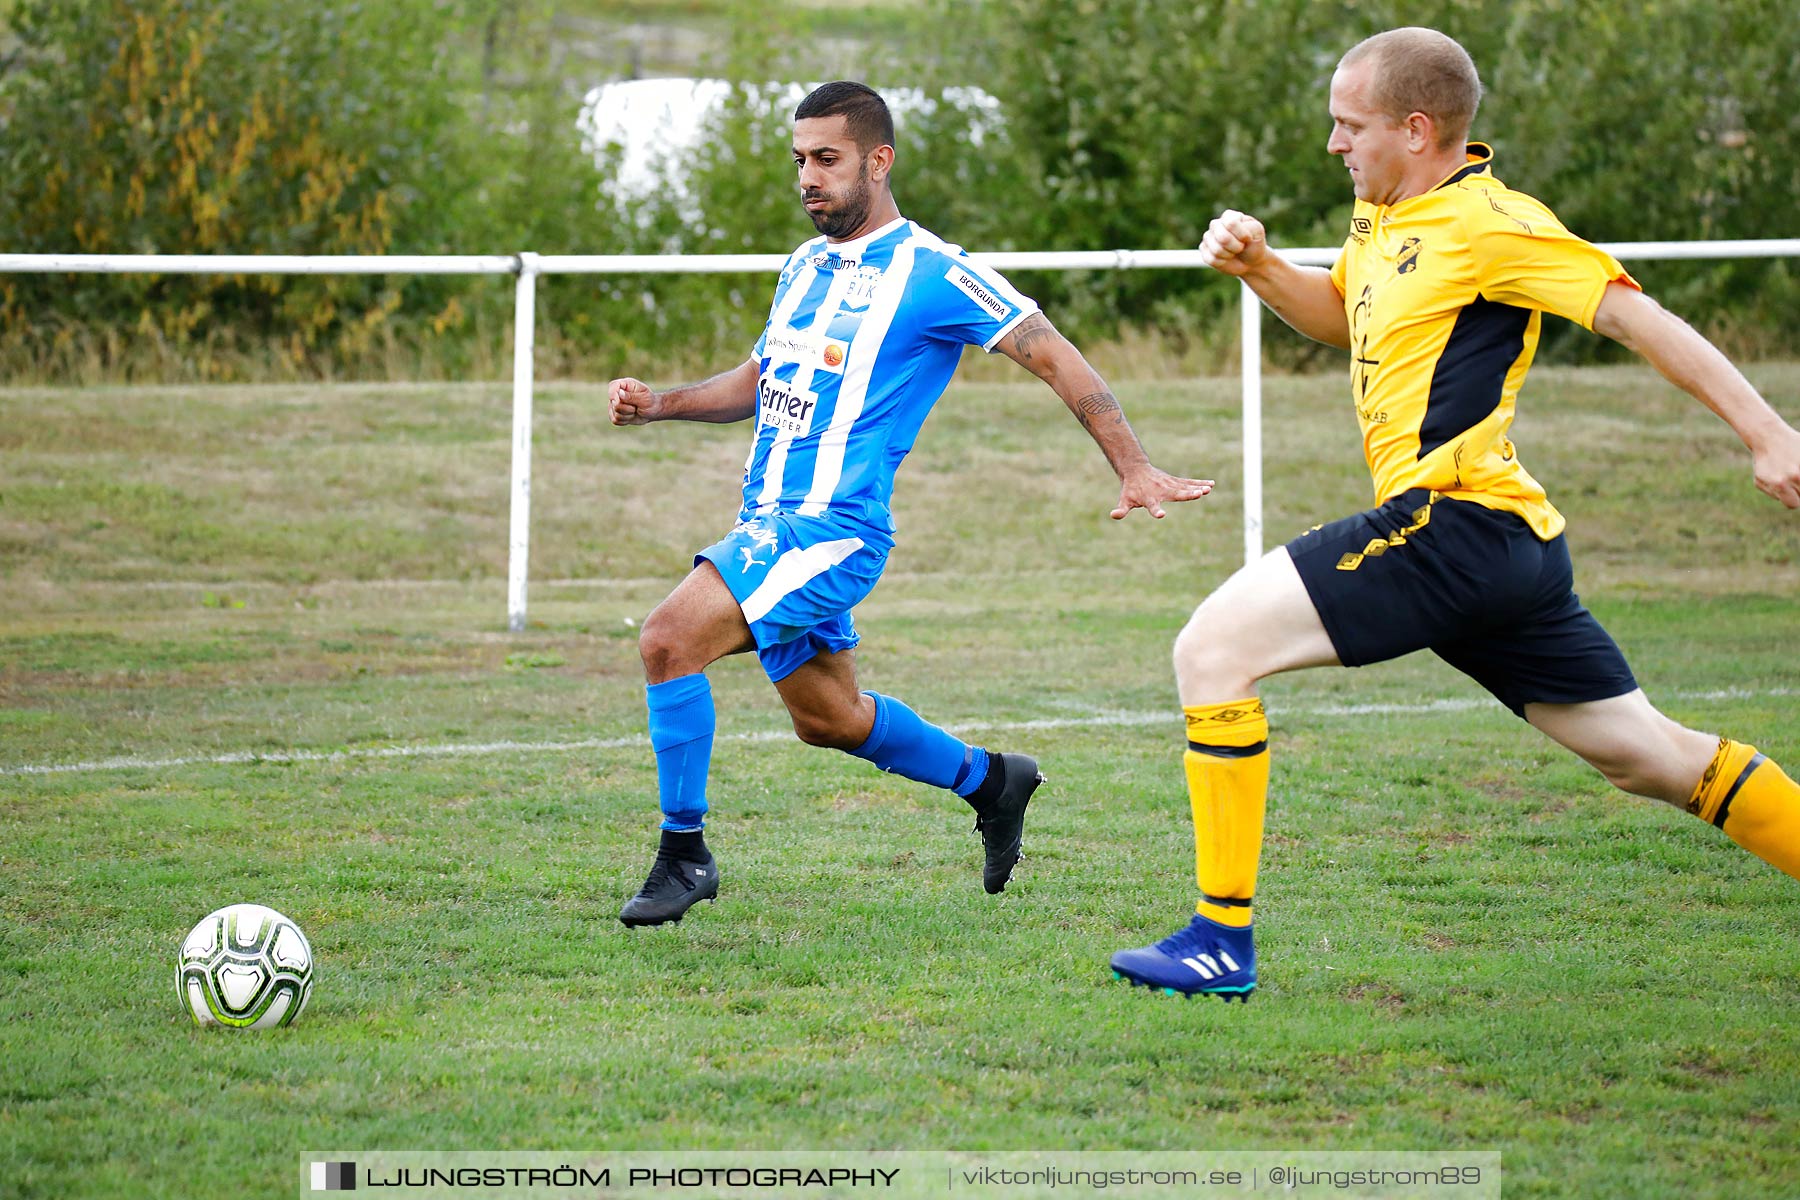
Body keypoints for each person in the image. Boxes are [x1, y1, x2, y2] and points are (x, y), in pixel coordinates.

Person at [1110, 26, 1800, 999]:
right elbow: (1338, 312)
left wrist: (1769, 433)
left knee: (1212, 650)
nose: (1334, 145)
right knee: (1650, 759)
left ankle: (1220, 942)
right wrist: (1262, 267)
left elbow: (1633, 313)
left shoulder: (1493, 224)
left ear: (1417, 128)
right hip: (1502, 547)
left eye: (1349, 126)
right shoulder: (1383, 212)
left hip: (1457, 526)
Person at [607, 81, 1212, 927]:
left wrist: (1135, 465)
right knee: (828, 719)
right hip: (766, 524)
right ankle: (994, 781)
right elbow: (758, 382)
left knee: (668, 639)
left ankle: (685, 856)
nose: (808, 178)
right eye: (799, 161)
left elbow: (1056, 358)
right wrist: (661, 403)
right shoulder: (804, 265)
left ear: (878, 161)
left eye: (827, 159)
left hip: (831, 529)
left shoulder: (935, 273)